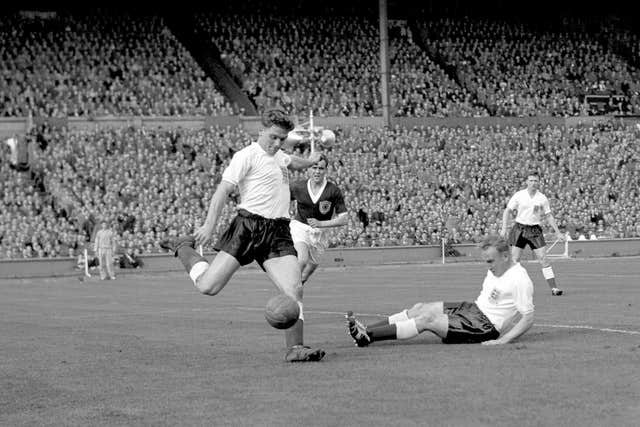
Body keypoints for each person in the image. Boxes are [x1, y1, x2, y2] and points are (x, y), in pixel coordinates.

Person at [161, 109, 325, 362]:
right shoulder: (246, 156)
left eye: (282, 139)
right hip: (247, 228)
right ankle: (183, 247)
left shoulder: (280, 156)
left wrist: (311, 159)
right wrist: (208, 225)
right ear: (261, 131)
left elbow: (293, 161)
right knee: (208, 286)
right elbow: (222, 190)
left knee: (294, 289)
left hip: (278, 232)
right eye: (273, 137)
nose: (277, 143)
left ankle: (296, 348)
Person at [346, 235, 534, 347]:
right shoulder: (499, 267)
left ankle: (368, 337)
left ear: (506, 256)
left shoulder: (519, 279)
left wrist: (503, 341)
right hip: (471, 310)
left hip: (484, 326)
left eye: (490, 261)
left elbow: (528, 317)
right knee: (420, 308)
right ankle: (367, 329)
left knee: (427, 320)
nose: (488, 265)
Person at [500, 171, 565, 296]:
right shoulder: (519, 195)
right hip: (519, 229)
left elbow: (549, 215)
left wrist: (558, 232)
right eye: (531, 180)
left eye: (535, 181)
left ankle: (554, 288)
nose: (533, 183)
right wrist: (504, 228)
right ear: (526, 182)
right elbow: (507, 211)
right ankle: (509, 288)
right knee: (515, 260)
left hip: (535, 230)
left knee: (543, 258)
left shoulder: (542, 198)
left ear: (539, 182)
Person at [290, 153, 348, 285]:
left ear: (326, 170)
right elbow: (280, 200)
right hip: (301, 227)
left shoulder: (333, 190)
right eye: (314, 167)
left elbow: (344, 219)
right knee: (302, 260)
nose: (317, 171)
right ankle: (290, 291)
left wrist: (321, 223)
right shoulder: (297, 187)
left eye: (321, 168)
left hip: (321, 233)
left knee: (310, 268)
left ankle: (297, 285)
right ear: (308, 169)